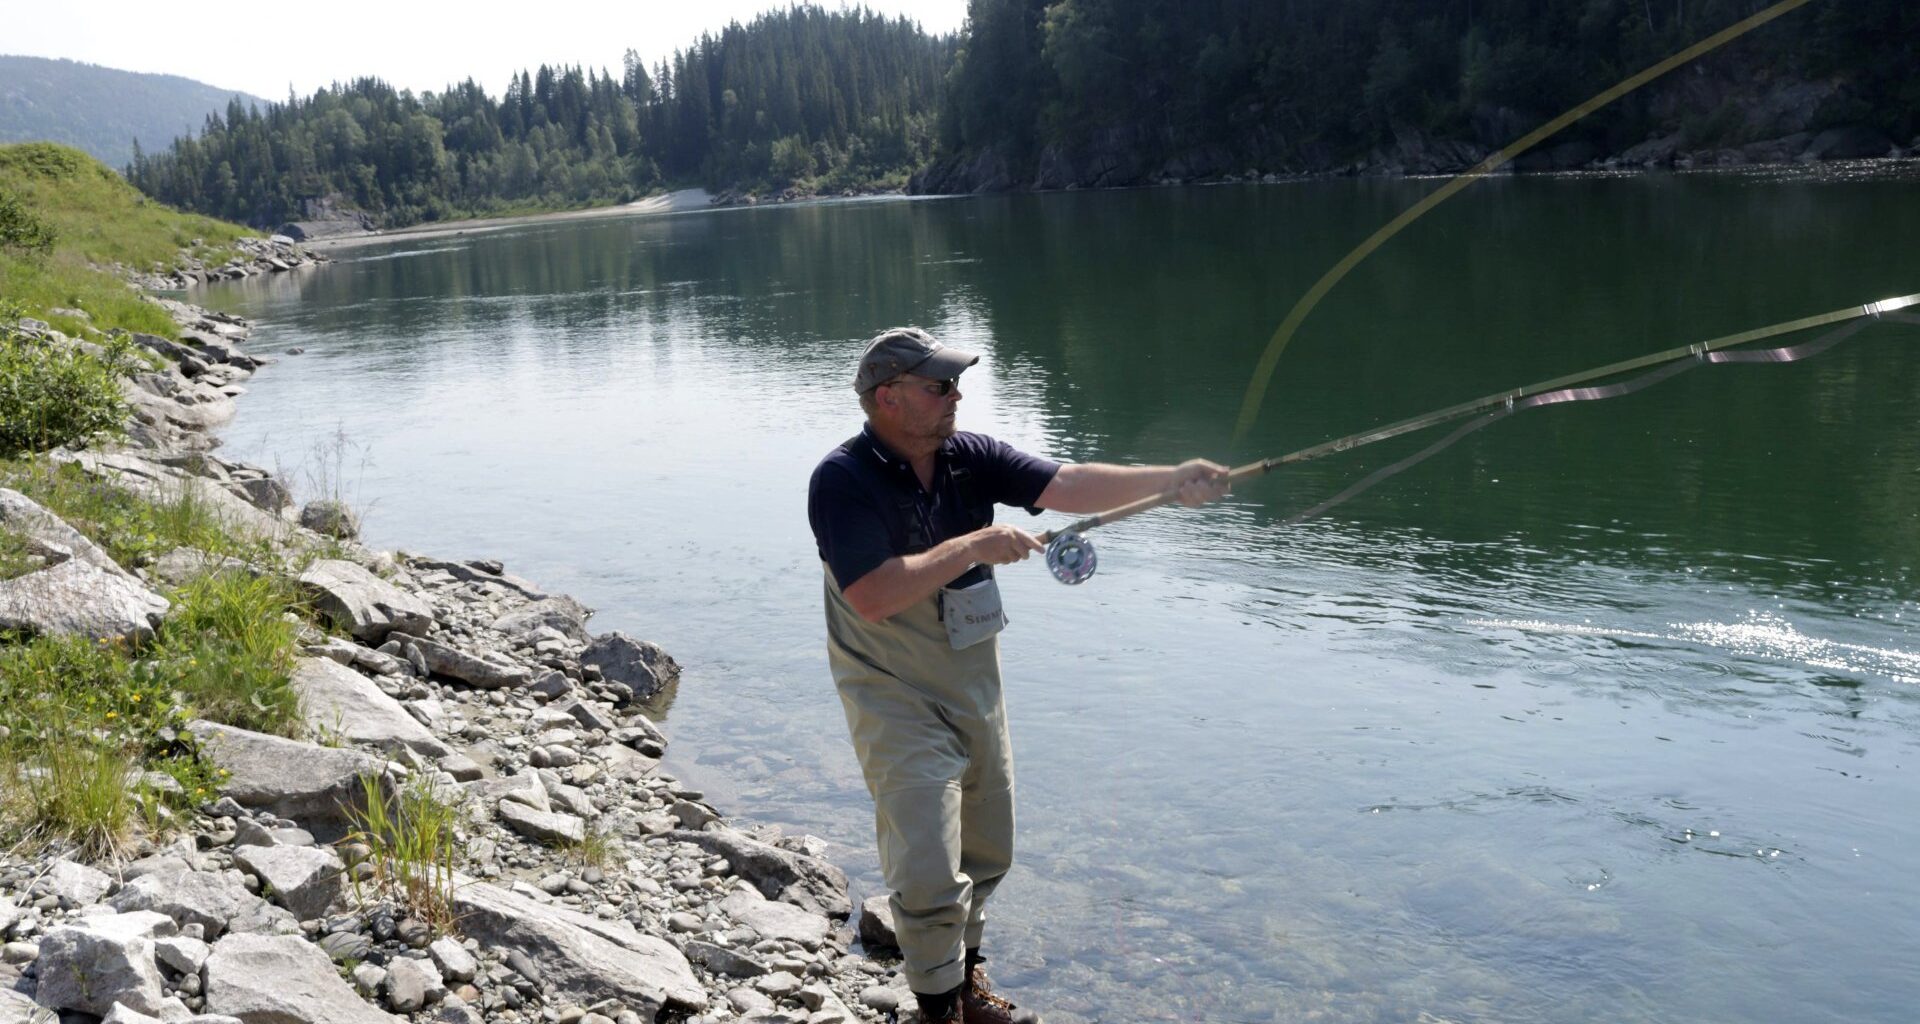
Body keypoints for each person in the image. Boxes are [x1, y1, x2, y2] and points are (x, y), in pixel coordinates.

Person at [806, 327, 1230, 1024]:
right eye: (938, 386)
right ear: (888, 397)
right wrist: (974, 543)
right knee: (927, 862)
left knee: (987, 847)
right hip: (890, 689)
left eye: (955, 383)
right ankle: (936, 1009)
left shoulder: (967, 455)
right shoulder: (842, 479)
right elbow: (873, 596)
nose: (956, 395)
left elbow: (1063, 482)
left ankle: (965, 987)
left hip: (973, 680)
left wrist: (1168, 479)